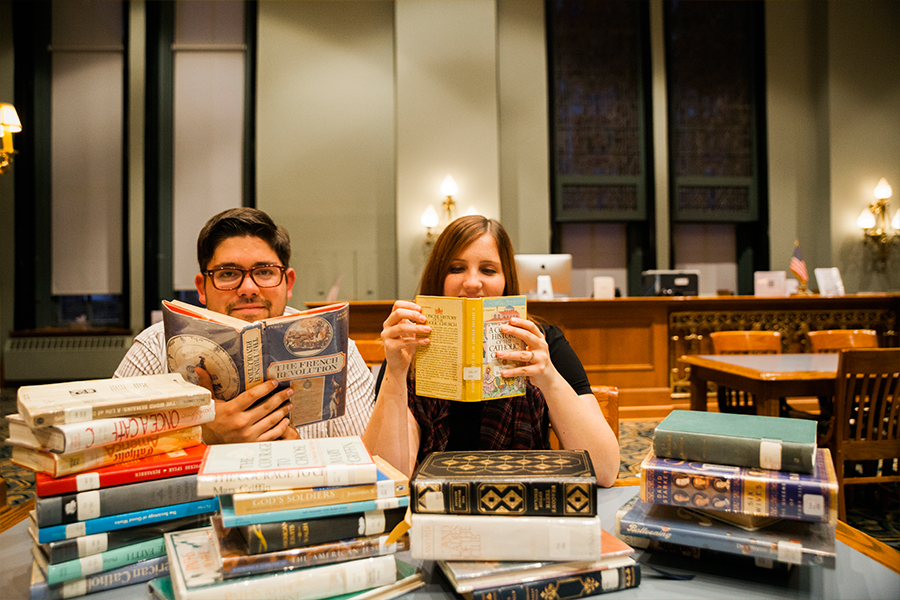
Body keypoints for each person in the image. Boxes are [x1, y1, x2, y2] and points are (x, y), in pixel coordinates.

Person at [363, 215, 619, 486]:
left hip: (526, 499)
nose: (472, 283)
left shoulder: (545, 343)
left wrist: (549, 379)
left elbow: (604, 470)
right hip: (441, 503)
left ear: (506, 279)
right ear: (438, 277)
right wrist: (396, 371)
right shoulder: (410, 349)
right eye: (456, 268)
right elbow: (386, 479)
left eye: (488, 270)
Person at [115, 208, 375, 444]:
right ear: (202, 288)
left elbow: (368, 464)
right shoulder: (154, 348)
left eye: (264, 272)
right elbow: (107, 452)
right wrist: (202, 437)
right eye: (228, 273)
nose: (248, 288)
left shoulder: (340, 351)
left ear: (288, 283)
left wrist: (297, 453)